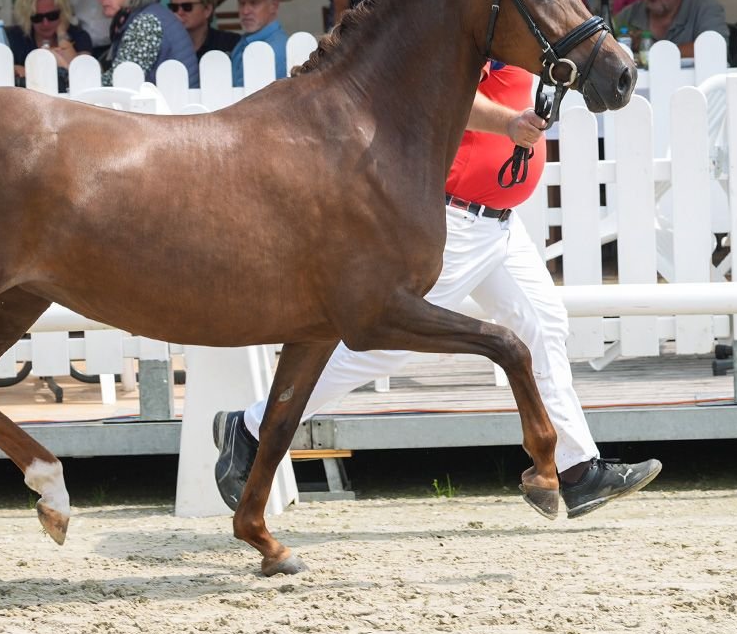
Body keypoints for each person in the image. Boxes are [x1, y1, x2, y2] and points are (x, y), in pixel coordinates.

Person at [213, 60, 664, 520]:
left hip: (501, 226)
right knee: (383, 348)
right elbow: (447, 94)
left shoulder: (520, 29)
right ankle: (251, 429)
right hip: (458, 223)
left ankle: (575, 470)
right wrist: (508, 123)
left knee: (544, 325)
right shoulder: (488, 31)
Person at [94, 0, 199, 87]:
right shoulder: (150, 14)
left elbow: (120, 82)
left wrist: (72, 69)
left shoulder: (146, 22)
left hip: (170, 105)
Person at [6, 0, 93, 92]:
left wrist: (62, 35)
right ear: (27, 16)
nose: (45, 23)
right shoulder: (15, 37)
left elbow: (83, 76)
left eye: (52, 16)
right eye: (37, 17)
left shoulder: (79, 36)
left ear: (63, 12)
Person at [221, 0, 293, 86]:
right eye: (241, 3)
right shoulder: (246, 40)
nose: (245, 11)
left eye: (254, 3)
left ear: (274, 6)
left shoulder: (276, 48)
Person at [168, 0, 240, 59]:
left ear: (207, 10)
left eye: (187, 7)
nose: (179, 12)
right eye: (174, 7)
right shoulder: (166, 47)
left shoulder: (230, 44)